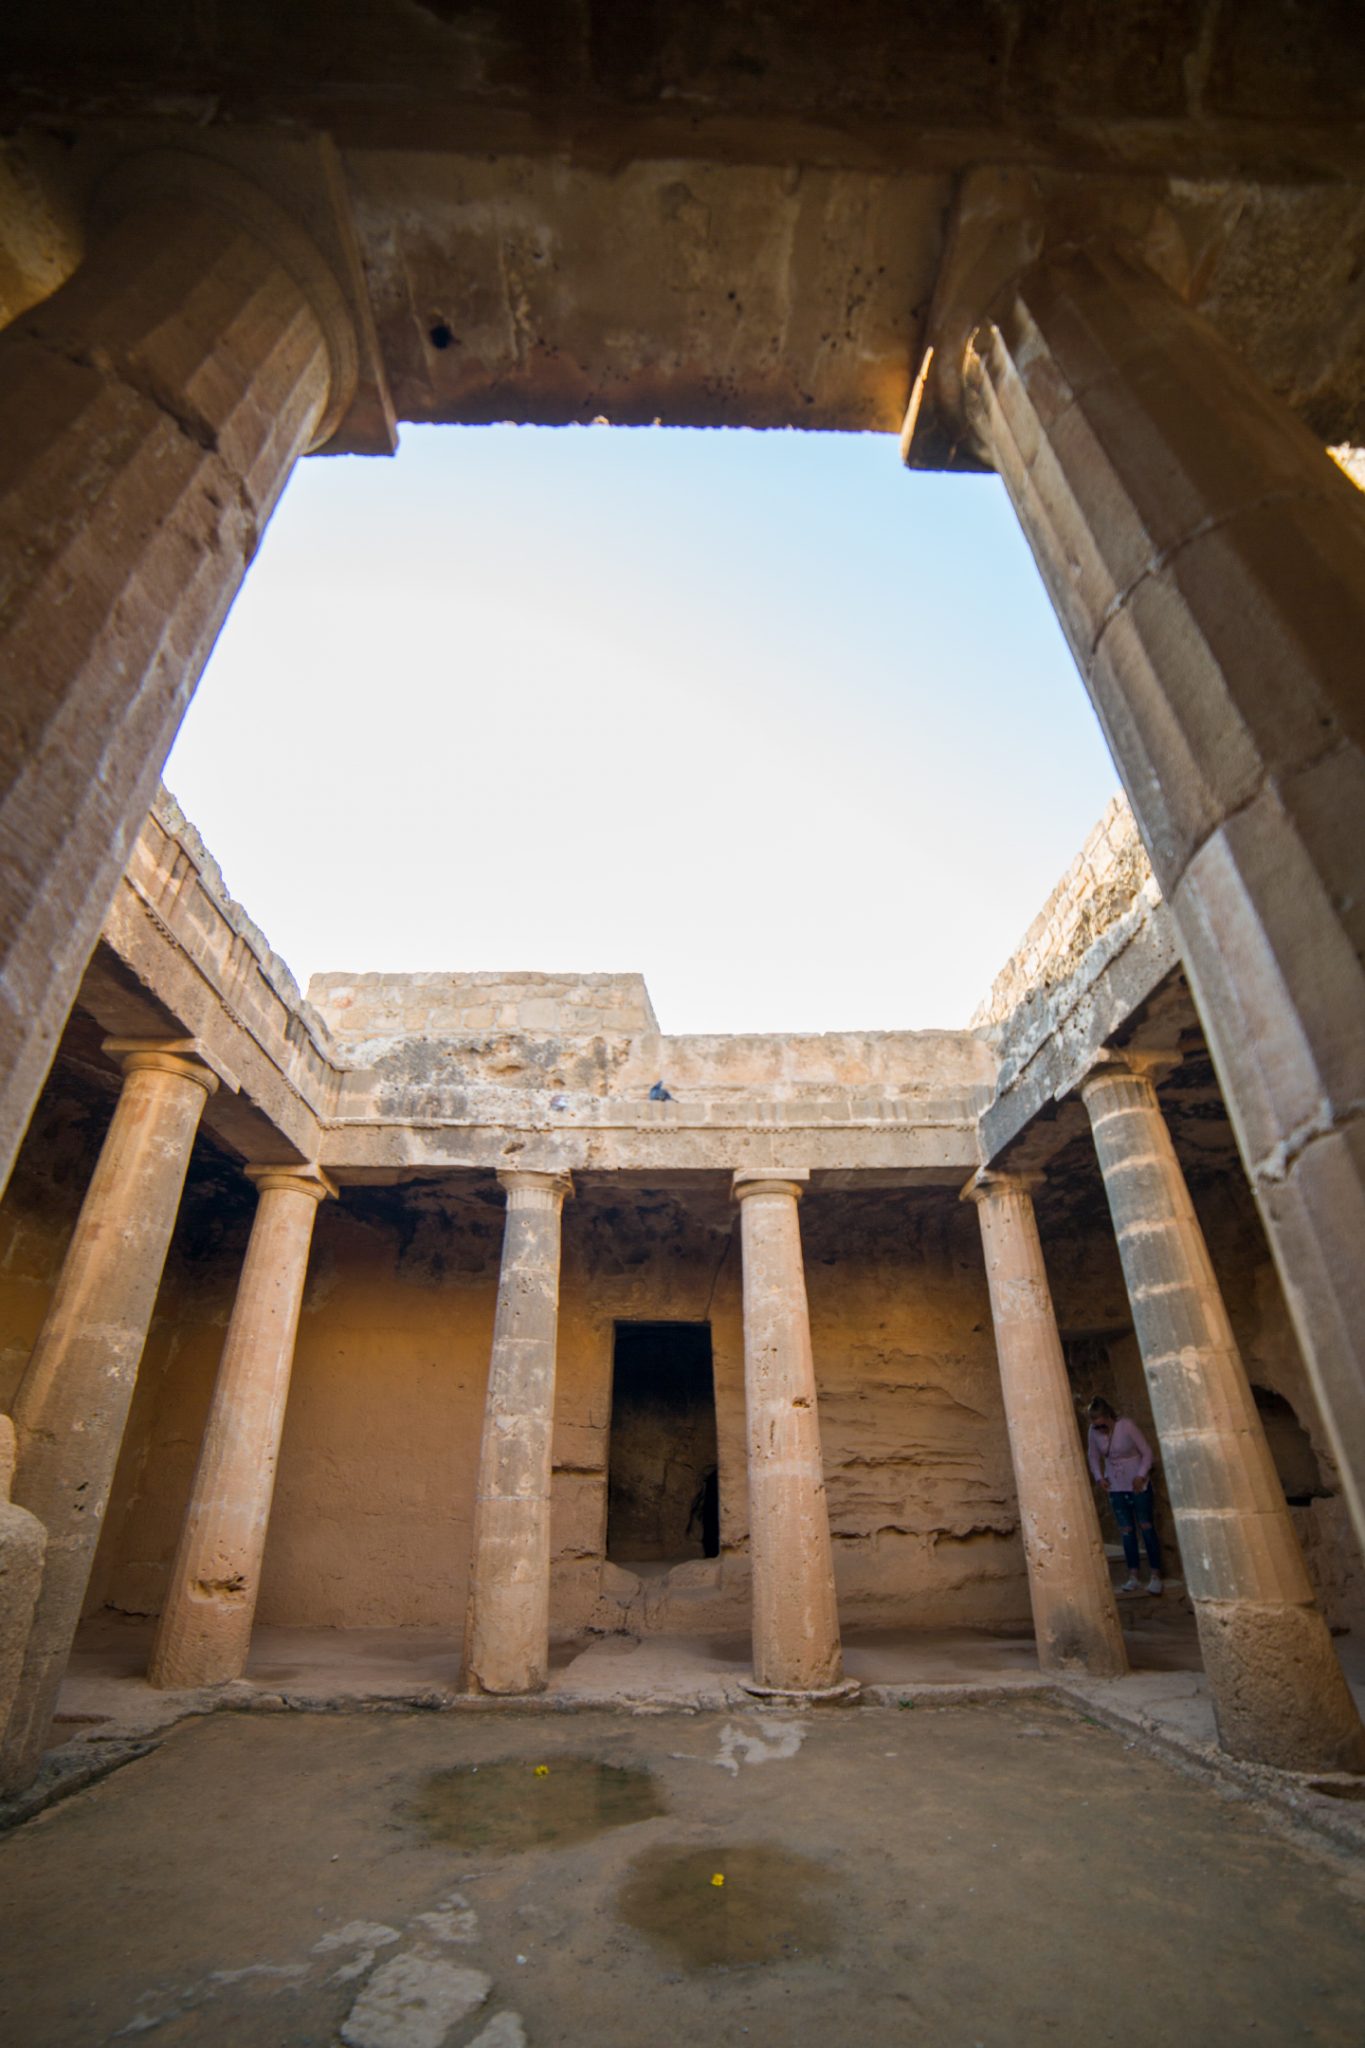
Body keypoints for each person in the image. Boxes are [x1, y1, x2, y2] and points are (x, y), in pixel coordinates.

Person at [1086, 1396, 1163, 1595]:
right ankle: (1133, 1575)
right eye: (1095, 1425)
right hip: (1115, 1483)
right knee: (1126, 1531)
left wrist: (1141, 1474)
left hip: (1136, 1481)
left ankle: (1155, 1574)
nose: (1099, 1429)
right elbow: (1093, 1456)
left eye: (1101, 1424)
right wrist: (1098, 1477)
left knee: (1146, 1526)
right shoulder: (1093, 1433)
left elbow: (1146, 1452)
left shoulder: (1126, 1426)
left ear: (1108, 1416)